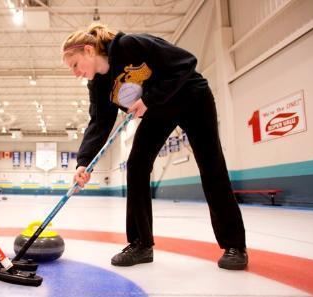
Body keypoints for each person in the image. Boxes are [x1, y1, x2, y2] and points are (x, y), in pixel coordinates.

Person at [63, 23, 248, 270]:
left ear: (88, 50)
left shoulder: (128, 45)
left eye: (75, 65)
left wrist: (149, 99)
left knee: (211, 164)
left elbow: (185, 62)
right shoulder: (98, 85)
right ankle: (140, 244)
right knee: (137, 164)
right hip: (159, 110)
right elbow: (99, 123)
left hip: (191, 96)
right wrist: (83, 162)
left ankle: (234, 245)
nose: (75, 72)